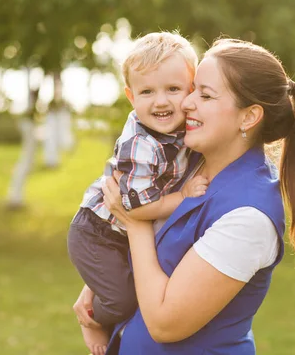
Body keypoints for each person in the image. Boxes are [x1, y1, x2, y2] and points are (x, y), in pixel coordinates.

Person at [75, 38, 295, 354]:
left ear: (249, 117)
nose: (185, 103)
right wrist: (100, 282)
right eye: (192, 88)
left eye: (205, 95)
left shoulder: (249, 216)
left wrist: (134, 215)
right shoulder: (188, 163)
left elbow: (165, 323)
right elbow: (155, 254)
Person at [67, 32, 209, 355]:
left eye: (172, 89)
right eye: (147, 92)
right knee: (123, 300)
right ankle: (91, 320)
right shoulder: (141, 146)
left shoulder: (181, 130)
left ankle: (96, 300)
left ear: (191, 90)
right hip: (97, 232)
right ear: (131, 97)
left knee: (134, 287)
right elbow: (133, 210)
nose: (160, 101)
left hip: (117, 230)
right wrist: (184, 195)